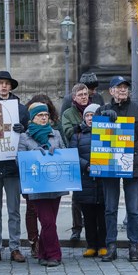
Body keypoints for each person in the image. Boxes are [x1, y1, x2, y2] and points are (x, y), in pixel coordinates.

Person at [96, 76, 138, 262]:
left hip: (133, 165)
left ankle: (133, 246)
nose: (122, 90)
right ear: (111, 91)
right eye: (118, 87)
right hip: (109, 166)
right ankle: (111, 245)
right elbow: (93, 136)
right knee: (110, 208)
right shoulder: (103, 110)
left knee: (134, 210)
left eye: (125, 88)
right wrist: (103, 119)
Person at [0, 71, 28, 264]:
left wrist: (22, 130)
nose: (4, 86)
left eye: (7, 84)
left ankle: (15, 247)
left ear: (11, 87)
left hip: (12, 165)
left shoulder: (20, 109)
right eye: (1, 83)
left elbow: (28, 133)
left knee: (14, 209)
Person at [18, 103, 67, 267]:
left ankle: (42, 253)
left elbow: (65, 153)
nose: (44, 117)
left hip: (55, 184)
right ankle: (54, 254)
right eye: (40, 115)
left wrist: (58, 154)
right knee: (47, 221)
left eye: (46, 115)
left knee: (51, 220)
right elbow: (19, 159)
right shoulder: (25, 137)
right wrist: (34, 155)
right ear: (33, 118)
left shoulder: (56, 134)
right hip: (37, 185)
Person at [69, 103, 107, 257]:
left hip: (102, 182)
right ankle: (91, 245)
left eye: (93, 115)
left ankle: (103, 244)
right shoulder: (77, 135)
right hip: (85, 181)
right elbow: (72, 156)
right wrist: (86, 166)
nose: (90, 118)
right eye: (88, 115)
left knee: (103, 216)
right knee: (88, 216)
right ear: (84, 117)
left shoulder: (107, 133)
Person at [61, 83, 90, 241]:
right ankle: (77, 228)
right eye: (80, 94)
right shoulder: (68, 113)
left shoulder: (95, 109)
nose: (84, 97)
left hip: (95, 156)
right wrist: (82, 127)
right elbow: (67, 131)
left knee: (97, 194)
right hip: (76, 156)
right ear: (74, 97)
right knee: (77, 196)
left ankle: (95, 227)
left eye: (85, 94)